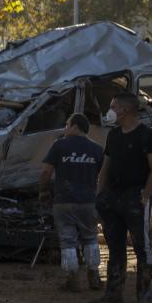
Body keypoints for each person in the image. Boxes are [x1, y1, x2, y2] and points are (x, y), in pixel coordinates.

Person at [95, 91, 152, 303]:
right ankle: (113, 295)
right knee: (115, 246)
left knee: (142, 247)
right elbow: (105, 166)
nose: (110, 110)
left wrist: (146, 195)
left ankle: (144, 297)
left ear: (125, 110)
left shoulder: (148, 136)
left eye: (113, 106)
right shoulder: (114, 135)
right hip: (112, 199)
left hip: (136, 198)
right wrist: (100, 195)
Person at [40, 113, 104, 292]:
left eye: (67, 124)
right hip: (88, 202)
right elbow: (103, 175)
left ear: (75, 126)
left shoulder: (59, 146)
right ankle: (94, 277)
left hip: (64, 201)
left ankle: (73, 280)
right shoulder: (97, 149)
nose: (65, 128)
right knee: (91, 237)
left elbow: (46, 172)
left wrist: (43, 191)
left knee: (68, 240)